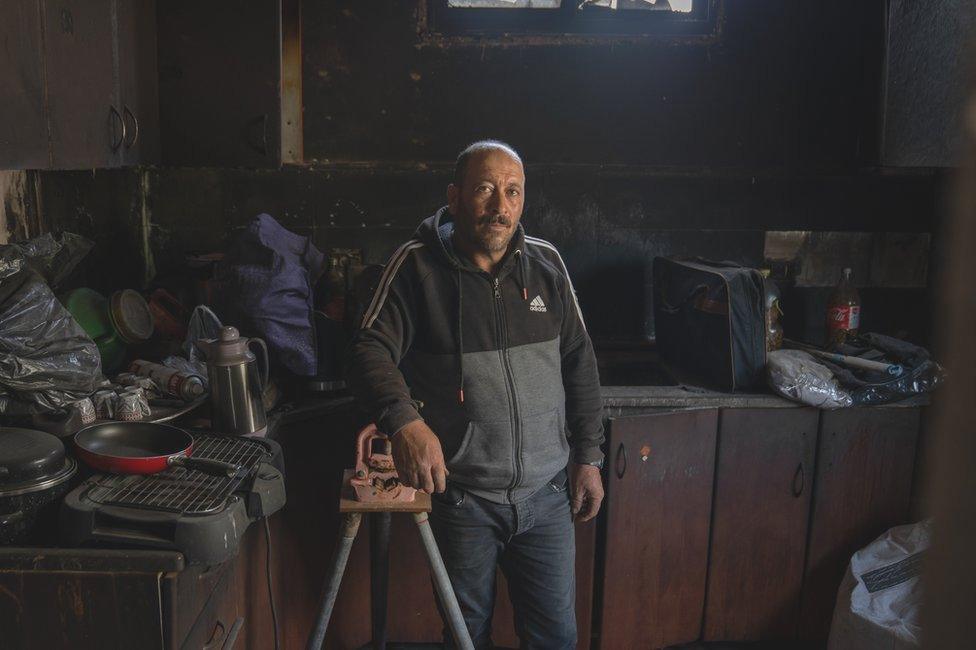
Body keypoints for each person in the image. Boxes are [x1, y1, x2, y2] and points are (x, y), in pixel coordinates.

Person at [347, 140, 605, 649]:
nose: (499, 206)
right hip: (464, 498)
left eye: (512, 192)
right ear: (455, 196)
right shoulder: (416, 266)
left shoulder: (547, 265)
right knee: (466, 639)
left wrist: (589, 455)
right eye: (485, 189)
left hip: (547, 495)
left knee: (555, 639)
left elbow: (580, 361)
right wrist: (406, 422)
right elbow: (368, 347)